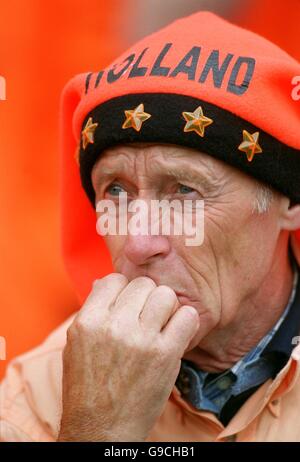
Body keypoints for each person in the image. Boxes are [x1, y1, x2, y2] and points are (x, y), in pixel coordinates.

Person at [1, 11, 300, 442]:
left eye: (184, 191)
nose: (140, 243)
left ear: (289, 200)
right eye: (116, 192)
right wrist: (98, 429)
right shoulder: (39, 387)